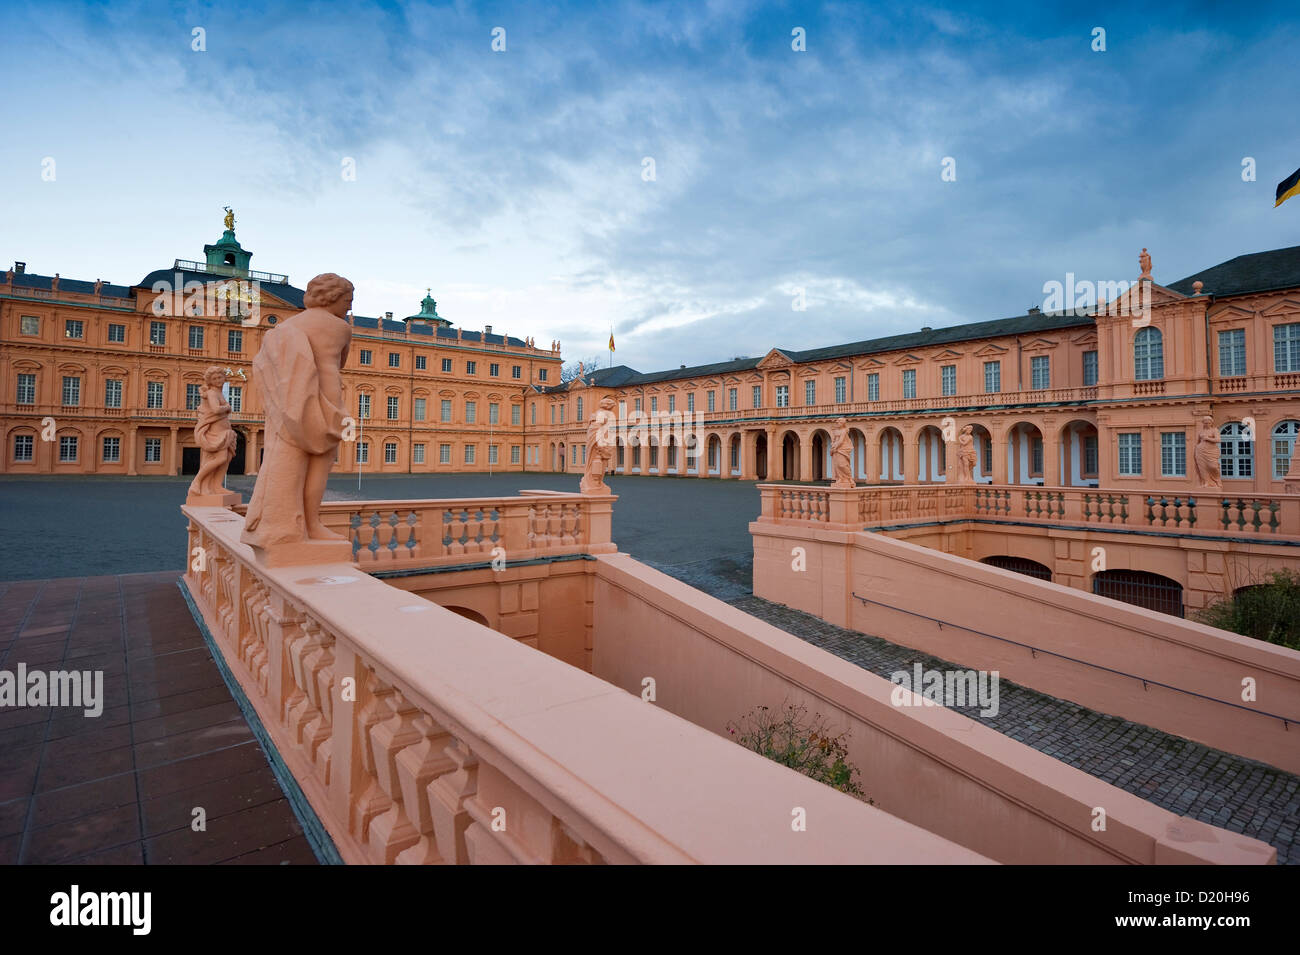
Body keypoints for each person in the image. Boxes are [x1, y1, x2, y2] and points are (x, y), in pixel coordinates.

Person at [241, 273, 354, 548]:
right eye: (348, 301)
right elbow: (340, 362)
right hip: (326, 395)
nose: (349, 308)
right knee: (320, 461)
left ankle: (282, 521)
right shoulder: (341, 328)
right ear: (333, 298)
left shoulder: (286, 326)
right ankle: (311, 524)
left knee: (290, 457)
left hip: (292, 398)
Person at [187, 366, 237, 496]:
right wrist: (227, 407)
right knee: (221, 458)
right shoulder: (212, 393)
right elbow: (215, 409)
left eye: (220, 377)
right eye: (214, 378)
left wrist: (226, 408)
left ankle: (216, 485)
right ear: (210, 381)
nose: (218, 380)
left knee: (228, 457)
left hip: (225, 430)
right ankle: (197, 482)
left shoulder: (218, 393)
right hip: (216, 432)